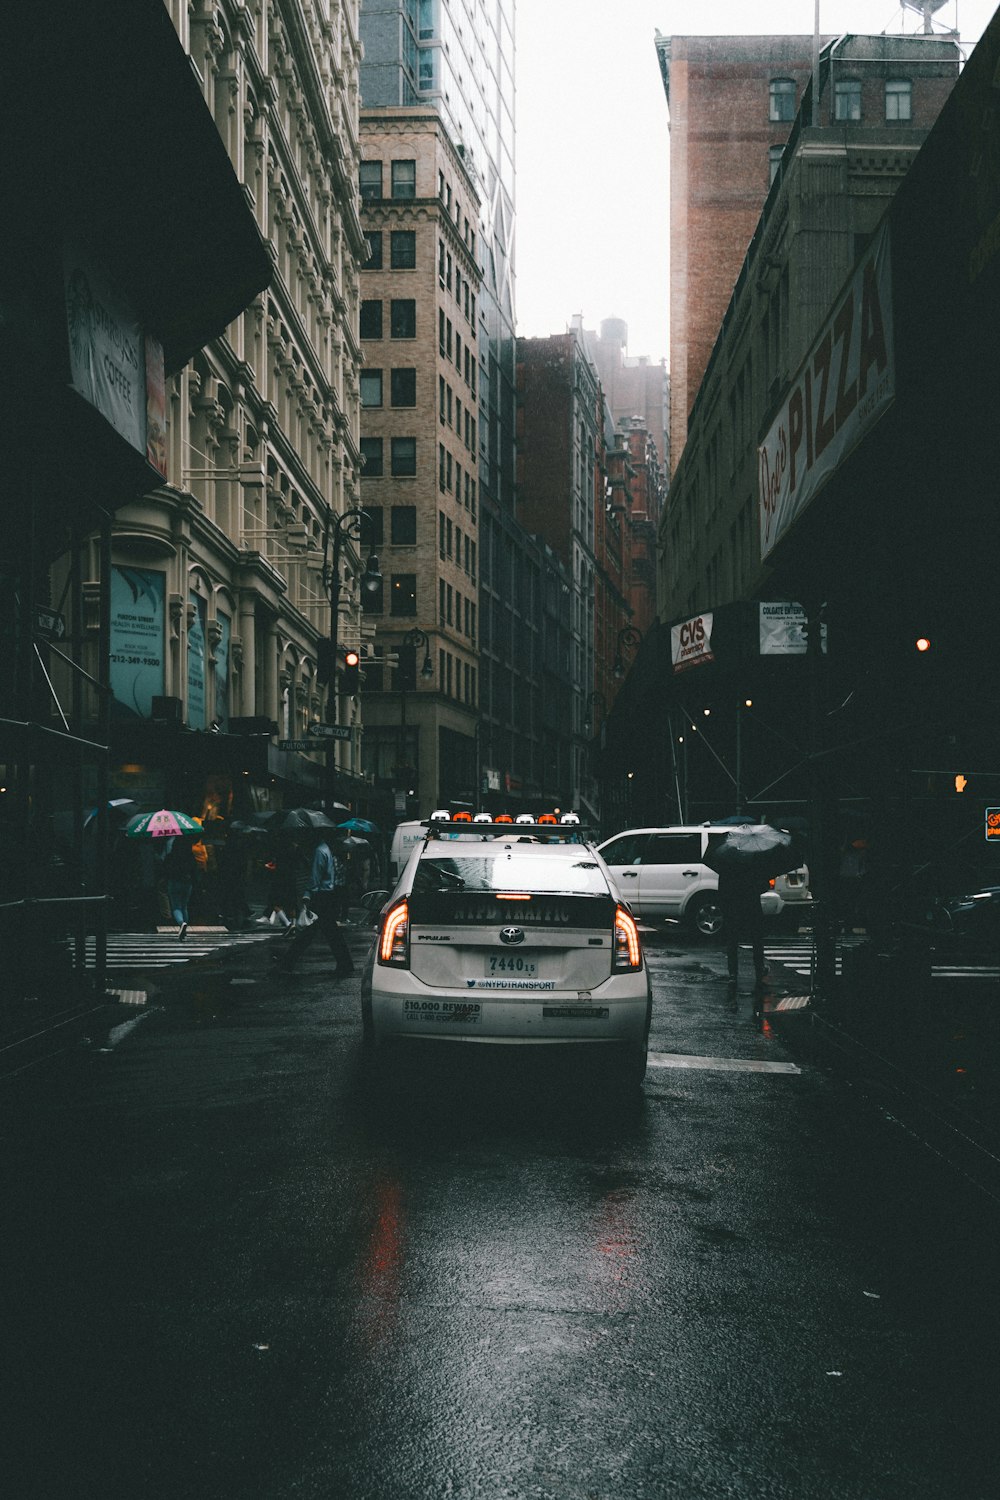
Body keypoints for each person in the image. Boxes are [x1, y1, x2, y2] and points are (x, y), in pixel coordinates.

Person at [273, 832, 354, 976]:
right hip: (327, 896)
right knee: (326, 933)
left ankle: (287, 964)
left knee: (312, 933)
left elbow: (315, 877)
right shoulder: (325, 849)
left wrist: (307, 895)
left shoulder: (319, 851)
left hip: (321, 897)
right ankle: (345, 964)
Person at [718, 865, 768, 990]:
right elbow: (764, 886)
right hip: (752, 906)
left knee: (732, 941)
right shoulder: (756, 865)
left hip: (733, 908)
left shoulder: (727, 865)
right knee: (757, 940)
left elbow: (722, 889)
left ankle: (733, 974)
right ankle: (759, 970)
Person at [162, 834, 199, 940]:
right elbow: (194, 870)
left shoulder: (171, 856)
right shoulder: (190, 856)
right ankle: (185, 930)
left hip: (174, 882)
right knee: (184, 906)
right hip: (187, 882)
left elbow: (165, 868)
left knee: (176, 907)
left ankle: (181, 923)